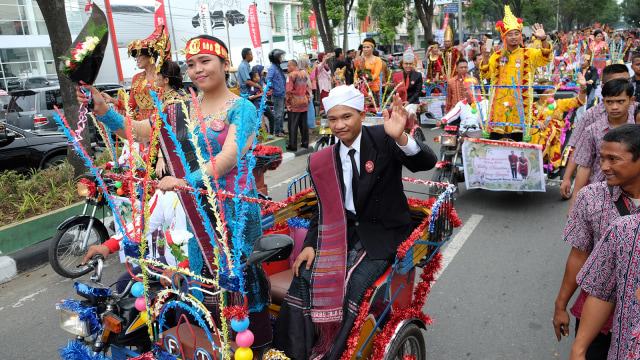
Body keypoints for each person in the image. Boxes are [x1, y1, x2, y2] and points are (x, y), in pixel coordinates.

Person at [79, 34, 272, 351]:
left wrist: (186, 181)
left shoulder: (242, 108)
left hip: (233, 212)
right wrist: (104, 112)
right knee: (204, 279)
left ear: (225, 64)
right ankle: (212, 347)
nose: (198, 69)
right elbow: (140, 131)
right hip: (196, 209)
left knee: (236, 280)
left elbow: (229, 157)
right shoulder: (183, 109)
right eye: (192, 63)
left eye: (206, 61)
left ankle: (256, 346)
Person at [272, 86, 438, 360]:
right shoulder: (324, 158)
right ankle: (296, 350)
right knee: (304, 275)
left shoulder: (384, 138)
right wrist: (311, 245)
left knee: (354, 285)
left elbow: (425, 161)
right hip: (340, 232)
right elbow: (323, 207)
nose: (339, 125)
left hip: (384, 233)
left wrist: (402, 138)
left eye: (346, 117)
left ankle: (334, 353)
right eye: (333, 119)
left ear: (361, 114)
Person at [567, 125, 640, 360]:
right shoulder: (622, 227)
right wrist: (561, 305)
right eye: (603, 158)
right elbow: (598, 286)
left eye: (614, 159)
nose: (604, 166)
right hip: (607, 324)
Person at [479, 6, 552, 141]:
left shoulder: (529, 53)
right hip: (499, 107)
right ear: (504, 36)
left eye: (516, 33)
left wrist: (543, 39)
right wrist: (485, 58)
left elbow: (545, 57)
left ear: (521, 35)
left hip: (520, 106)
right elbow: (486, 75)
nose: (513, 37)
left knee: (518, 144)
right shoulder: (496, 56)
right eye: (510, 34)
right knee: (496, 141)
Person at [560, 64, 632, 200]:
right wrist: (567, 178)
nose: (622, 86)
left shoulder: (636, 113)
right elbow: (579, 150)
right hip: (600, 189)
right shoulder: (591, 117)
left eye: (626, 82)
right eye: (616, 83)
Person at [570, 79, 636, 211]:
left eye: (620, 101)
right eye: (609, 102)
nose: (614, 107)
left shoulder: (637, 127)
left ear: (631, 101)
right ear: (603, 102)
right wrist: (574, 204)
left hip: (633, 195)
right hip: (601, 198)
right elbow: (585, 166)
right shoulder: (593, 130)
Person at [103, 25, 169, 121]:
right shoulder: (136, 78)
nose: (137, 59)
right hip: (142, 125)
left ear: (150, 56)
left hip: (161, 122)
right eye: (136, 57)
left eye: (139, 56)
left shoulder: (162, 76)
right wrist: (112, 100)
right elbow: (131, 105)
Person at [529, 73, 588, 169]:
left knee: (547, 131)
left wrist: (583, 87)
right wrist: (535, 122)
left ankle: (535, 160)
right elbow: (526, 121)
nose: (551, 95)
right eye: (547, 92)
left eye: (552, 92)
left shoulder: (559, 104)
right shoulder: (532, 108)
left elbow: (579, 101)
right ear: (540, 95)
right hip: (534, 133)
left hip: (554, 134)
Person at [392, 49, 423, 124]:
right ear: (402, 64)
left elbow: (417, 92)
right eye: (406, 64)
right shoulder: (397, 76)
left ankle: (411, 129)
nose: (408, 66)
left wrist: (408, 101)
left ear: (413, 64)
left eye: (410, 64)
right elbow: (394, 91)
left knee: (410, 111)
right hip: (400, 101)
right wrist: (394, 102)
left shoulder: (418, 75)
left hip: (412, 102)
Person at [285, 59, 310, 151]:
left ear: (293, 66)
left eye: (288, 66)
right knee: (304, 125)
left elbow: (288, 90)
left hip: (294, 103)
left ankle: (293, 145)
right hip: (304, 102)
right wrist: (307, 98)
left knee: (293, 125)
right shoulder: (303, 74)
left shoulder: (291, 76)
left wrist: (287, 103)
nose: (287, 68)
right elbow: (307, 88)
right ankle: (305, 143)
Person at [267, 49, 287, 137]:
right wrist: (274, 88)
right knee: (278, 114)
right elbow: (267, 79)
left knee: (282, 113)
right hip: (277, 94)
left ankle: (281, 129)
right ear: (275, 58)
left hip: (282, 94)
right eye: (279, 57)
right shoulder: (272, 68)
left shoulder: (278, 67)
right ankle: (277, 131)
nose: (281, 58)